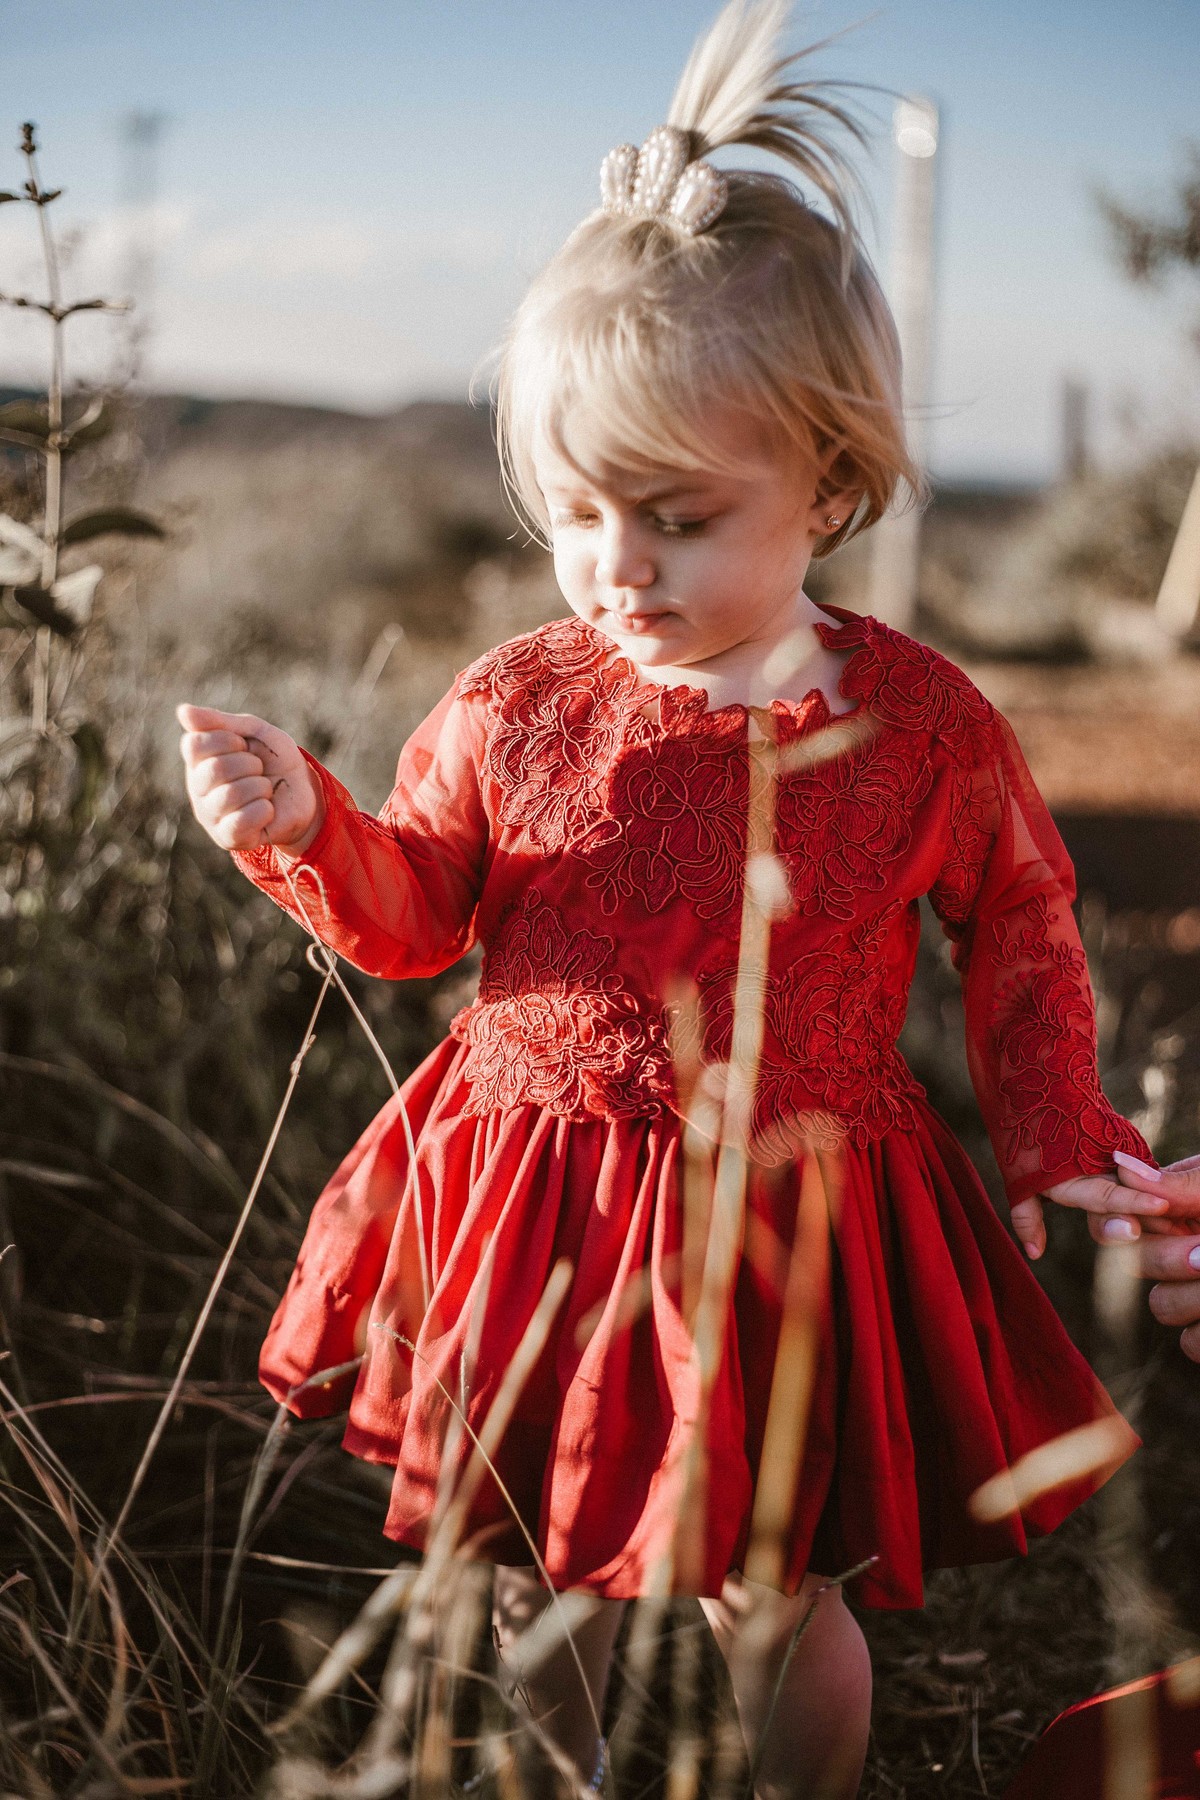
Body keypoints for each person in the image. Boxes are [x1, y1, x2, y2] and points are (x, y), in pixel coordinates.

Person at [176, 4, 1193, 1793]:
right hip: (527, 1201)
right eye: (577, 511)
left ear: (830, 478)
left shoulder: (916, 723)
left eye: (676, 513)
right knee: (526, 1571)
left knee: (775, 1589)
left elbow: (1026, 934)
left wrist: (1056, 1144)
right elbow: (417, 915)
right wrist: (305, 822)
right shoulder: (517, 699)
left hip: (786, 1220)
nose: (616, 565)